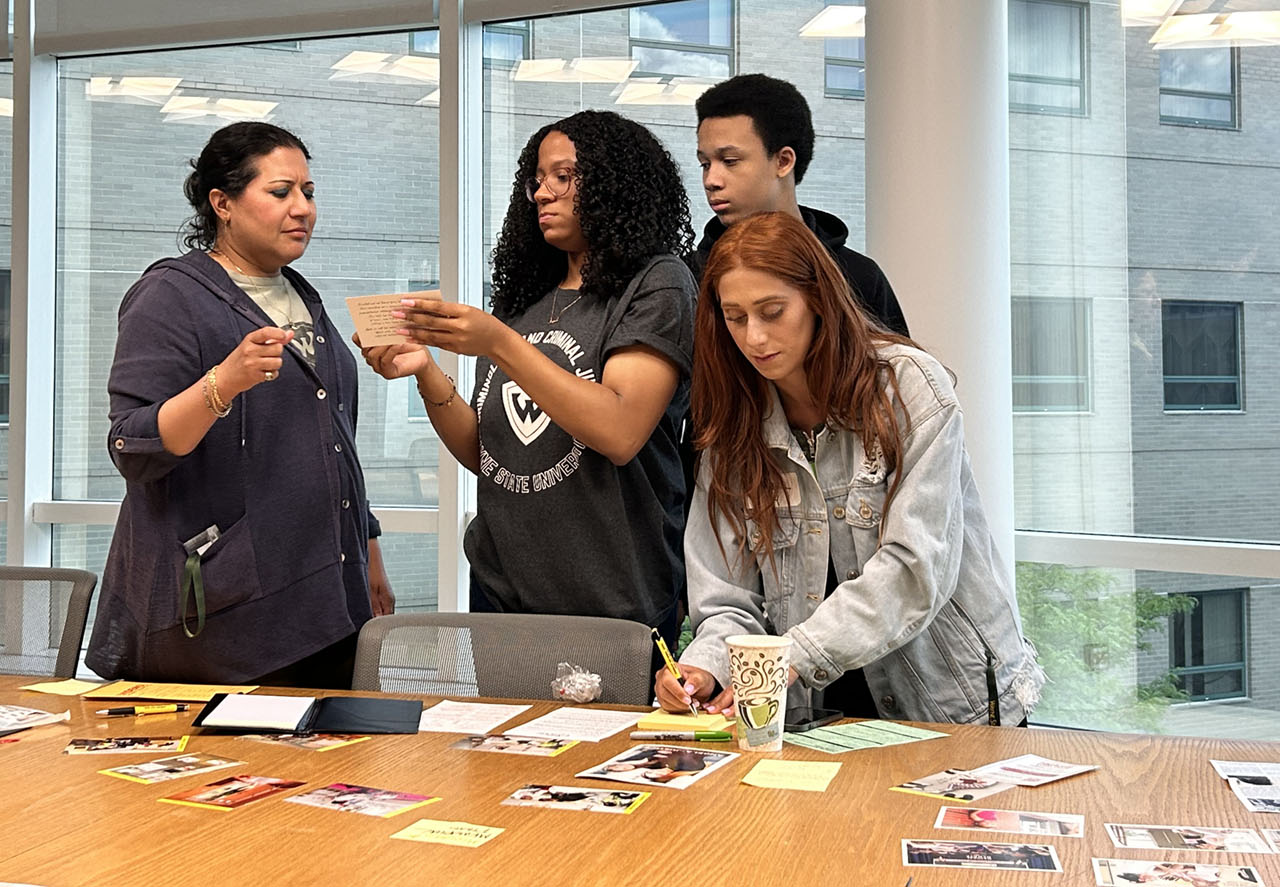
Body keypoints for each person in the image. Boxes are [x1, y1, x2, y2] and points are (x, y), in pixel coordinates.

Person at [654, 211, 1043, 725]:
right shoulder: (732, 424)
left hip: (947, 705)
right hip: (813, 719)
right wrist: (706, 668)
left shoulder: (909, 389)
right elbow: (727, 598)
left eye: (773, 311)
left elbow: (913, 570)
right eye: (735, 316)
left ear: (818, 300)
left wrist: (794, 655)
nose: (754, 337)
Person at [357, 110, 696, 642]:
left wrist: (498, 342)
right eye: (537, 179)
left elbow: (620, 431)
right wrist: (426, 371)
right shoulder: (525, 299)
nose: (542, 193)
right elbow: (489, 455)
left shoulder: (657, 283)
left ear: (615, 183)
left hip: (611, 599)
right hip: (501, 589)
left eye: (564, 177)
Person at [86, 121, 393, 689]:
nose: (302, 208)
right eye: (281, 192)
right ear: (222, 203)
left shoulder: (301, 294)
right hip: (227, 615)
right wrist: (220, 384)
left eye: (309, 192)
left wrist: (368, 553)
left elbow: (332, 442)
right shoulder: (170, 296)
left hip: (329, 596)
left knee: (327, 773)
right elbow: (132, 445)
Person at [690, 73, 906, 336]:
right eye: (705, 164)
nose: (711, 180)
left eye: (730, 161)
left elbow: (893, 373)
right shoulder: (691, 277)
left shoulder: (858, 277)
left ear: (783, 161)